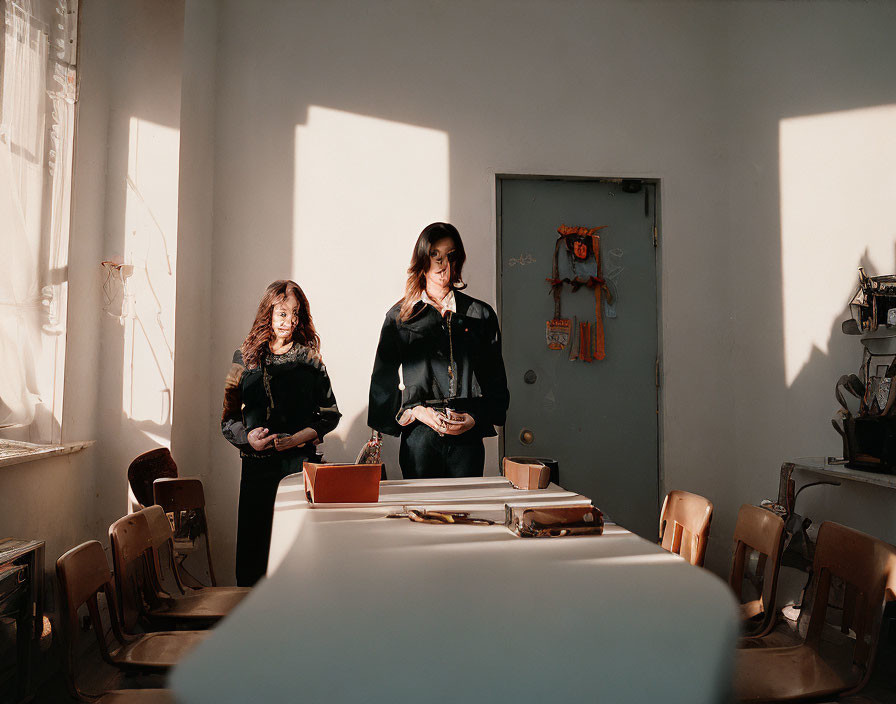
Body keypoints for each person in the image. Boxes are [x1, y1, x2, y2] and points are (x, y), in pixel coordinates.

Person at [222, 280, 340, 586]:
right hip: (256, 470)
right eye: (283, 313)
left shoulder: (310, 359)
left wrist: (296, 439)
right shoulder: (243, 358)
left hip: (297, 468)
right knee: (253, 555)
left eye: (295, 314)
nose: (289, 321)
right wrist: (247, 438)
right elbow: (228, 418)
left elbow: (329, 414)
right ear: (268, 312)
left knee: (298, 556)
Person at [368, 222, 509, 478]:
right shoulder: (400, 317)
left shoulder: (480, 315)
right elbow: (382, 380)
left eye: (451, 255)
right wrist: (415, 411)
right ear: (423, 259)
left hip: (467, 441)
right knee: (422, 513)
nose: (444, 264)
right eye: (435, 255)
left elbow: (495, 379)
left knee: (464, 514)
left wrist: (475, 418)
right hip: (420, 440)